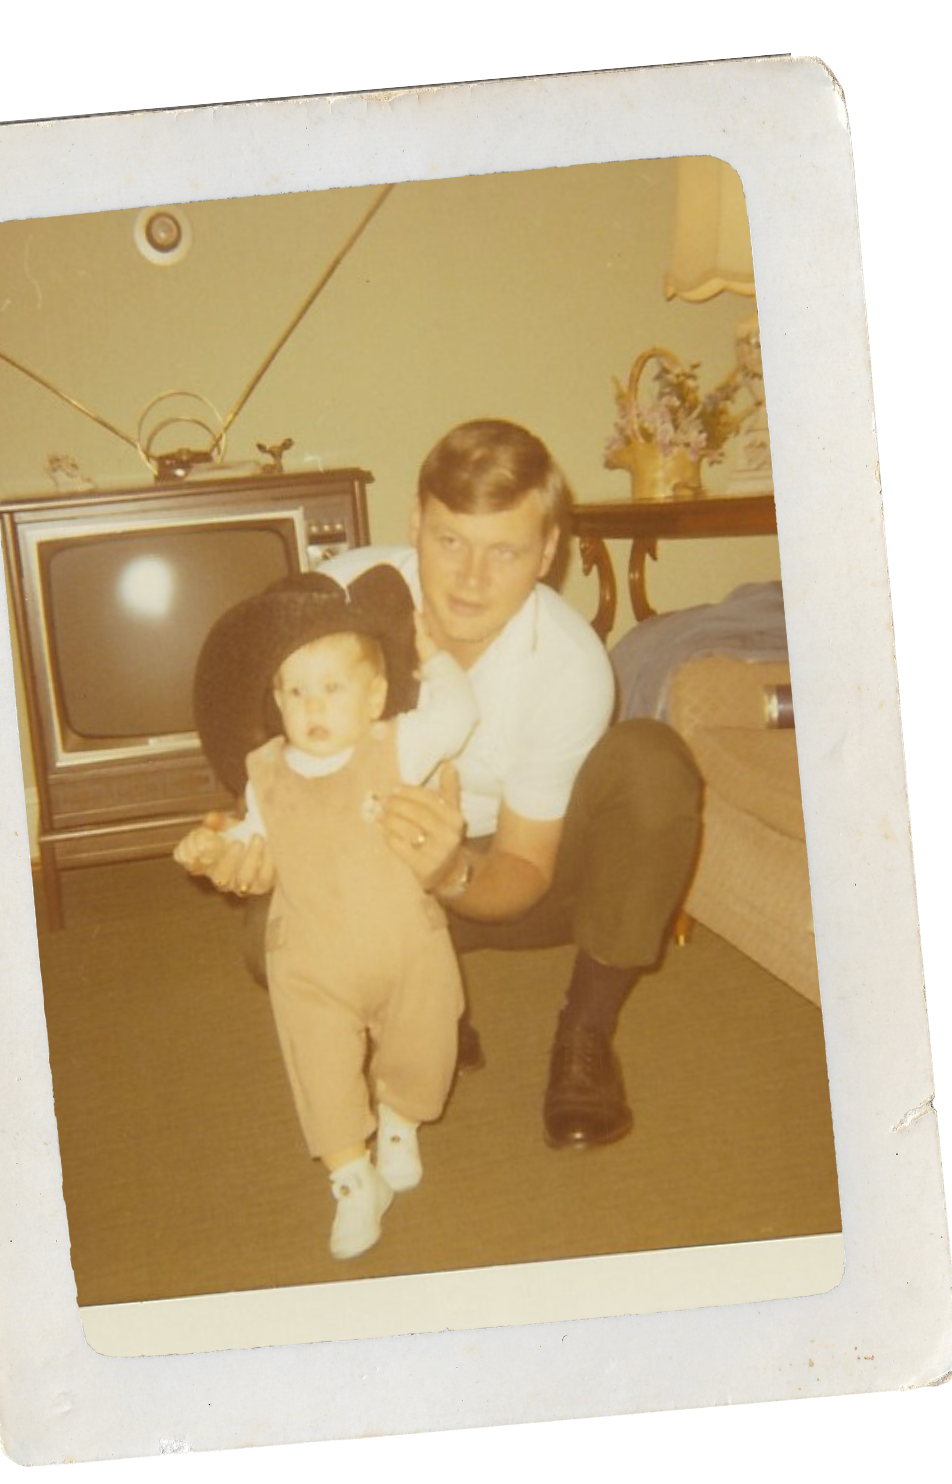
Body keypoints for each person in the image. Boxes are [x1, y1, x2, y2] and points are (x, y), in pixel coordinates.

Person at [192, 418, 704, 1151]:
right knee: (262, 941)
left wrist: (450, 872)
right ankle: (421, 1002)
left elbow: (525, 866)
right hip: (370, 872)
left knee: (654, 766)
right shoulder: (333, 601)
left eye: (505, 551)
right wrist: (242, 843)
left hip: (517, 873)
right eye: (449, 541)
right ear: (415, 525)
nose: (470, 579)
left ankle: (585, 1032)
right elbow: (265, 756)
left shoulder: (570, 663)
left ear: (548, 553)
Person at [176, 567, 479, 1259]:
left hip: (407, 948)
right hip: (310, 960)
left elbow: (458, 716)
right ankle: (352, 1182)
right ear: (275, 700)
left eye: (333, 688)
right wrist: (214, 846)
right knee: (319, 1072)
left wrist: (431, 658)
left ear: (374, 698)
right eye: (294, 690)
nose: (312, 706)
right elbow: (252, 839)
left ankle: (400, 1121)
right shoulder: (267, 773)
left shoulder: (395, 745)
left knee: (427, 1045)